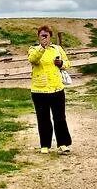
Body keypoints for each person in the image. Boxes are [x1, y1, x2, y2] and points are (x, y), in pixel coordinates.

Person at [27, 25, 72, 154]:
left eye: (46, 35)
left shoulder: (57, 49)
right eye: (42, 35)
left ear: (50, 36)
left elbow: (68, 63)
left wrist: (62, 64)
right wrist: (42, 47)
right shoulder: (33, 49)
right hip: (39, 90)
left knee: (59, 117)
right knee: (43, 118)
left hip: (57, 88)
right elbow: (33, 59)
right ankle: (45, 145)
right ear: (38, 36)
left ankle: (63, 144)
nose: (44, 37)